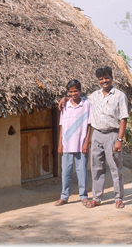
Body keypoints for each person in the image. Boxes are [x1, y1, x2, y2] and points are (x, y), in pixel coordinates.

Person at [59, 66, 129, 209]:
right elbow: (77, 97)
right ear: (98, 81)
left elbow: (123, 119)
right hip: (97, 134)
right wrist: (65, 98)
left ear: (111, 78)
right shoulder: (93, 96)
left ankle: (118, 198)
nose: (104, 81)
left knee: (115, 167)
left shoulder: (120, 96)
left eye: (106, 77)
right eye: (101, 79)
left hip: (112, 134)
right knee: (97, 168)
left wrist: (119, 140)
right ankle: (97, 198)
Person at [54, 79, 91, 207]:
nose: (73, 94)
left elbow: (89, 125)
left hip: (81, 144)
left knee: (82, 172)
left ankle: (83, 196)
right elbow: (61, 126)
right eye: (70, 92)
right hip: (67, 144)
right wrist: (60, 143)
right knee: (66, 172)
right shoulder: (65, 105)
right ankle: (64, 196)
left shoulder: (87, 104)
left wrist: (87, 142)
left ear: (80, 91)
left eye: (75, 91)